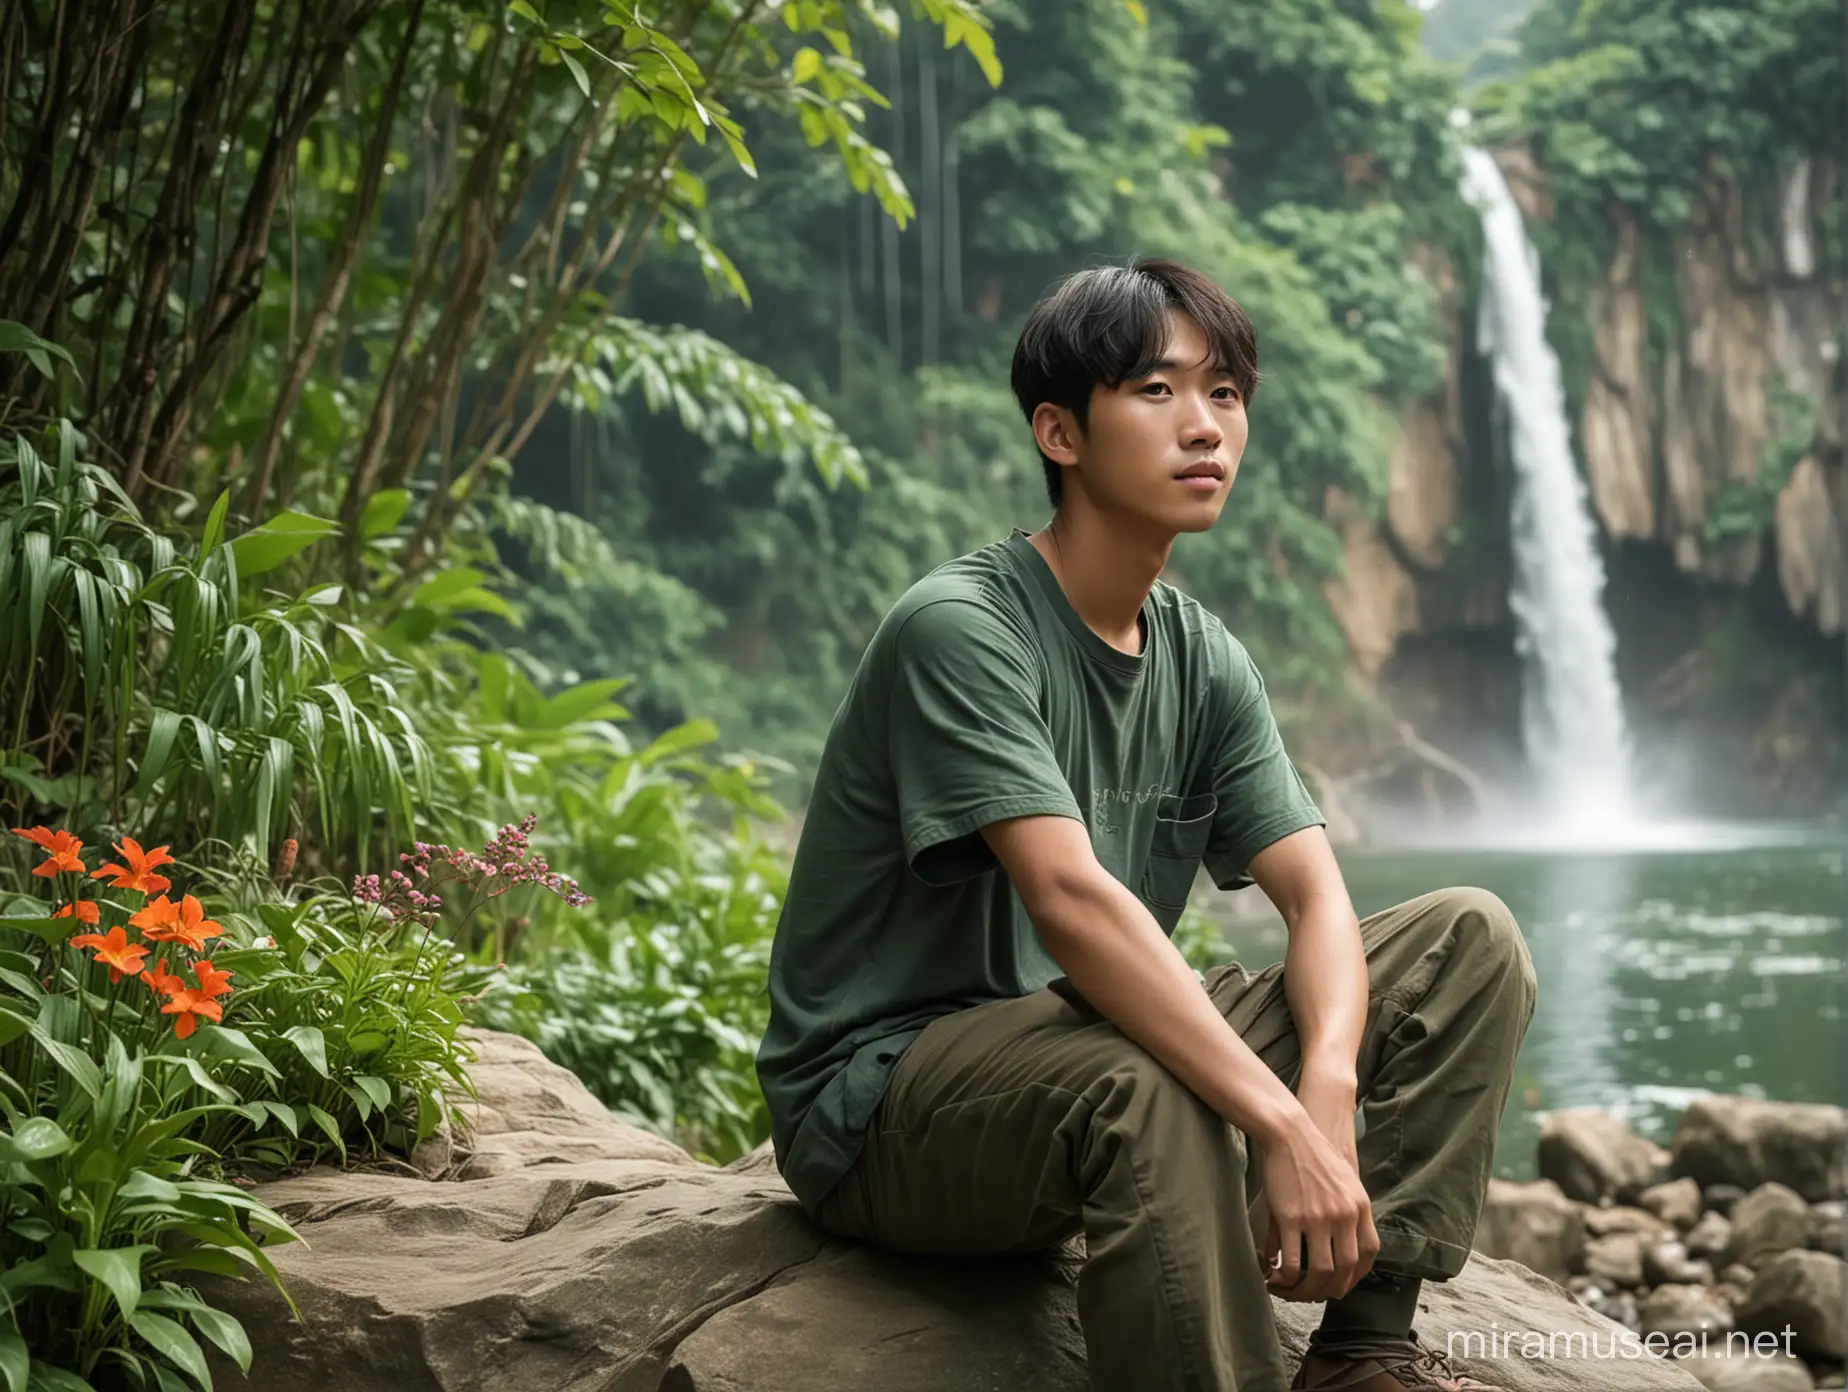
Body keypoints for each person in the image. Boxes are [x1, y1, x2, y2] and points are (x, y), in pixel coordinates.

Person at [754, 257, 1539, 1392]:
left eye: (1225, 394)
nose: (1205, 427)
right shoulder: (961, 630)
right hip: (886, 1105)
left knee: (1468, 940)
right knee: (1147, 1079)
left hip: (1069, 1047)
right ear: (1060, 433)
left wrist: (1322, 1091)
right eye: (1159, 391)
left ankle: (1366, 1349)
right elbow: (1069, 901)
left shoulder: (1200, 654)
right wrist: (1273, 1125)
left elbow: (1317, 896)